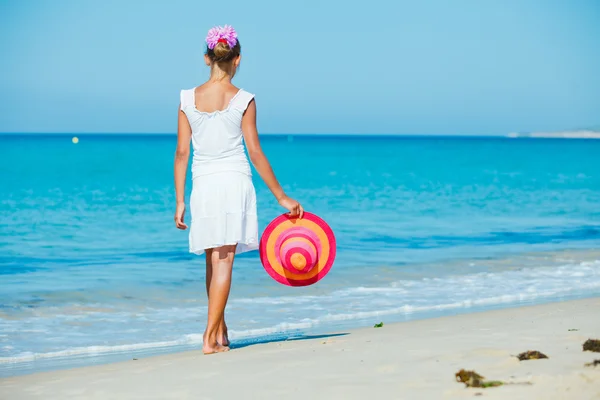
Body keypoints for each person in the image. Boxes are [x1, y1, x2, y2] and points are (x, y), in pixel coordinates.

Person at [173, 25, 303, 354]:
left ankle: (220, 331)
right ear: (238, 59)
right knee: (224, 262)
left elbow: (182, 153)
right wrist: (281, 196)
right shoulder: (244, 99)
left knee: (211, 260)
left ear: (207, 59)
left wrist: (178, 200)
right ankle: (209, 337)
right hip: (233, 183)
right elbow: (255, 153)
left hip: (202, 186)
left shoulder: (187, 98)